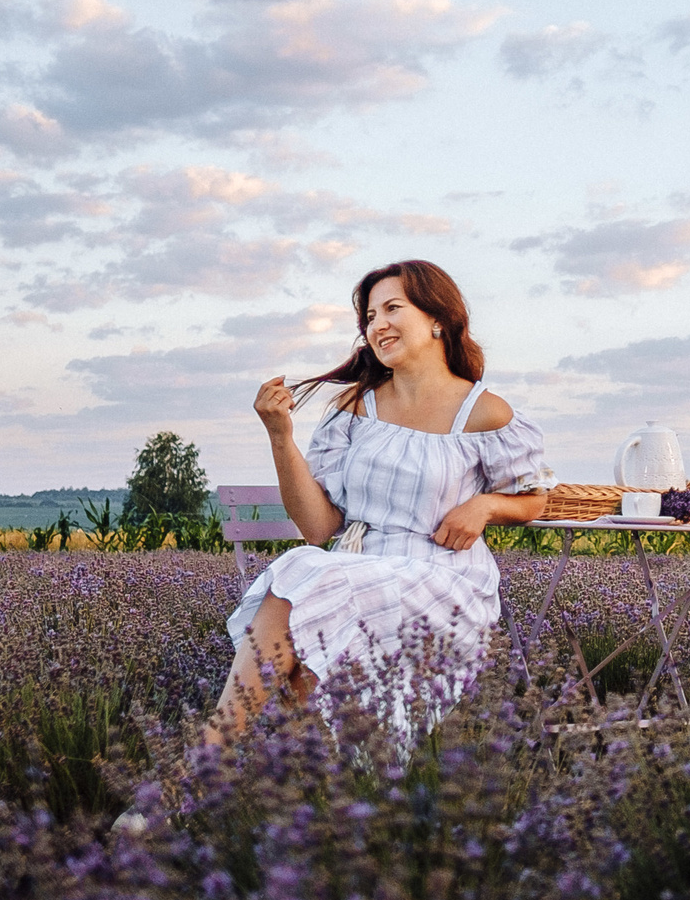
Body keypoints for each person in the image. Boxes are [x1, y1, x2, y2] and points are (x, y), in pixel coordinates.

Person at [207, 259, 551, 741]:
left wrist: (487, 506)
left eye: (392, 308)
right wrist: (281, 438)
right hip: (355, 566)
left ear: (437, 319)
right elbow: (319, 529)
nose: (377, 325)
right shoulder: (353, 408)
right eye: (369, 316)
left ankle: (200, 771)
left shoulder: (484, 411)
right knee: (307, 595)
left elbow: (535, 500)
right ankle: (326, 789)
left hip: (442, 577)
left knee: (303, 583)